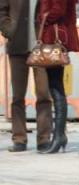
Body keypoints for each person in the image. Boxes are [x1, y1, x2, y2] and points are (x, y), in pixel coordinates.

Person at [0, 0, 52, 152]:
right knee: (18, 97)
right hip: (17, 46)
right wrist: (9, 30)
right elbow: (2, 10)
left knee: (43, 95)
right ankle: (19, 139)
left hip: (41, 48)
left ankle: (44, 139)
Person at [36, 0, 79, 154]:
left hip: (54, 40)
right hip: (55, 40)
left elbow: (58, 10)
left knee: (56, 89)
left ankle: (59, 135)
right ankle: (59, 135)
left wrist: (42, 17)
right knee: (56, 88)